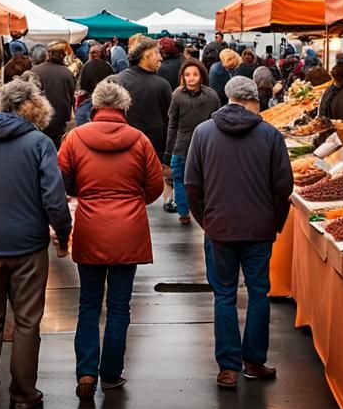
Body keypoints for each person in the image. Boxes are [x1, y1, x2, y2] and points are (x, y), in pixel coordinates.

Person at [0, 78, 71, 409]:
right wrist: (62, 234)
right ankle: (23, 394)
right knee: (26, 321)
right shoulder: (39, 143)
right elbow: (54, 198)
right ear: (30, 107)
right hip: (28, 245)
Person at [184, 76, 293, 388]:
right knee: (259, 293)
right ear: (254, 100)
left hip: (219, 228)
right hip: (259, 229)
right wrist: (273, 221)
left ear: (227, 97)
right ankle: (254, 362)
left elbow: (193, 185)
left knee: (224, 294)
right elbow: (283, 185)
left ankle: (228, 367)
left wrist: (206, 220)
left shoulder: (203, 133)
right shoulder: (270, 135)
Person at [58, 80, 163, 398]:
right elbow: (156, 186)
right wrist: (133, 202)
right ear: (123, 108)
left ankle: (86, 374)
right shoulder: (140, 140)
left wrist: (82, 194)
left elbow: (61, 180)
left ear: (94, 108)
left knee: (89, 304)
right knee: (119, 306)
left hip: (90, 227)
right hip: (129, 231)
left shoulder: (74, 138)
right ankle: (111, 373)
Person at [164, 59, 219, 225]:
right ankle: (183, 212)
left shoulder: (211, 96)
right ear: (182, 76)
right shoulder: (177, 95)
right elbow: (172, 124)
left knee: (200, 180)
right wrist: (168, 149)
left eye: (195, 74)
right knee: (180, 179)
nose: (191, 78)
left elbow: (216, 122)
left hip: (203, 146)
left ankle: (199, 211)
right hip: (183, 145)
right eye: (187, 74)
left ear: (202, 76)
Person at [109, 35, 172, 164]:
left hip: (120, 148)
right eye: (156, 53)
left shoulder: (116, 80)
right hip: (151, 152)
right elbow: (169, 122)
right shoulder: (161, 85)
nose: (160, 57)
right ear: (145, 56)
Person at [31, 41, 76, 148]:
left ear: (48, 54)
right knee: (56, 150)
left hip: (40, 119)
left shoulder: (35, 70)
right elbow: (70, 97)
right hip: (59, 120)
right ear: (63, 56)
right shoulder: (68, 73)